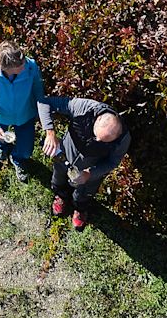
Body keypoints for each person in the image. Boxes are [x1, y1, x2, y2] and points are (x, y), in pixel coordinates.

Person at [38, 96, 130, 230]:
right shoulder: (83, 107)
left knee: (85, 191)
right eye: (96, 135)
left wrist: (90, 173)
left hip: (90, 169)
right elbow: (45, 102)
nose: (97, 140)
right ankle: (61, 195)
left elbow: (112, 162)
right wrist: (50, 133)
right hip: (64, 155)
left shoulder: (123, 139)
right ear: (97, 119)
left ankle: (80, 208)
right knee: (58, 176)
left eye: (103, 140)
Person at [0, 41, 50, 182]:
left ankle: (17, 159)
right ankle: (3, 148)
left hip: (26, 115)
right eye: (21, 66)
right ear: (7, 68)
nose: (25, 66)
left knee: (26, 150)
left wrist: (40, 111)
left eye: (24, 61)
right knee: (0, 138)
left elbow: (38, 88)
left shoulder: (30, 66)